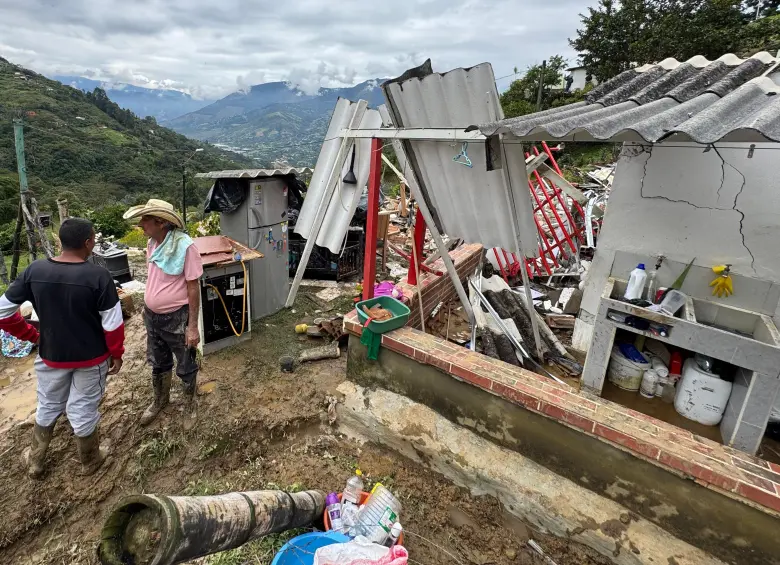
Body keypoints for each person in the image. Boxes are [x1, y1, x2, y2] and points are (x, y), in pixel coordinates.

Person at [0, 218, 124, 478]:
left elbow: (3, 313)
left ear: (59, 241)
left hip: (51, 355)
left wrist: (32, 336)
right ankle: (90, 460)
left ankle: (35, 461)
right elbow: (112, 325)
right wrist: (117, 354)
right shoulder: (99, 276)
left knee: (47, 404)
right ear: (89, 242)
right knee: (83, 407)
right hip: (91, 358)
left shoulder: (35, 271)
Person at [123, 199, 203, 430]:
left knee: (186, 361)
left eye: (145, 219)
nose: (141, 224)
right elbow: (156, 279)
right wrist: (148, 306)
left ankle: (190, 402)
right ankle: (160, 400)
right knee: (158, 361)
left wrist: (193, 326)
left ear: (160, 222)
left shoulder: (185, 246)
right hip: (152, 315)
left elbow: (193, 286)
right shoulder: (152, 243)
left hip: (177, 317)